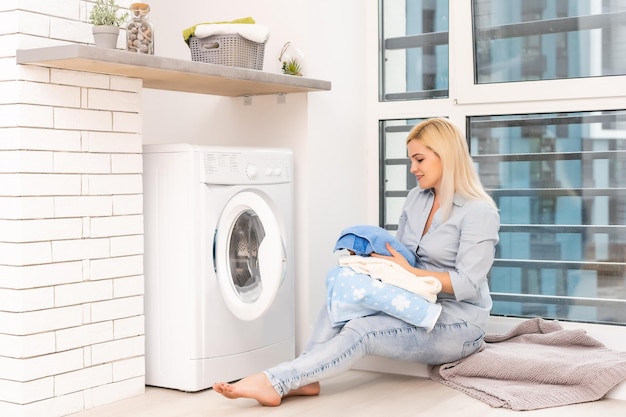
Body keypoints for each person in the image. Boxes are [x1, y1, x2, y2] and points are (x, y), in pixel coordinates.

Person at [213, 117, 500, 406]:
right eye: (411, 159)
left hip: (458, 324)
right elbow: (404, 254)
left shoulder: (479, 212)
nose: (413, 168)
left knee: (362, 330)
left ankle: (277, 380)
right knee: (343, 286)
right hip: (419, 302)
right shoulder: (417, 199)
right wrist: (371, 262)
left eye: (419, 159)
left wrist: (410, 272)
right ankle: (305, 378)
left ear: (446, 156)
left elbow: (467, 284)